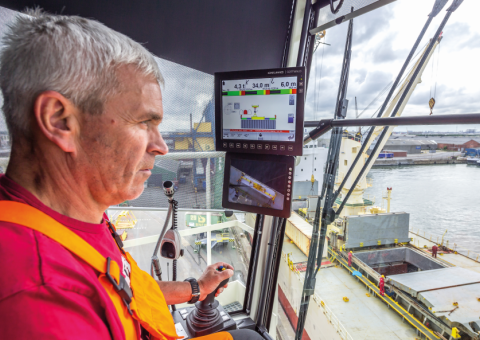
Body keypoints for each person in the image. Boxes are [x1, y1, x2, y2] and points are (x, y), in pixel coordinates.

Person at [0, 10, 260, 340]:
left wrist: (198, 287)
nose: (162, 146)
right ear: (59, 121)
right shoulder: (41, 299)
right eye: (143, 123)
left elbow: (126, 289)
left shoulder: (71, 218)